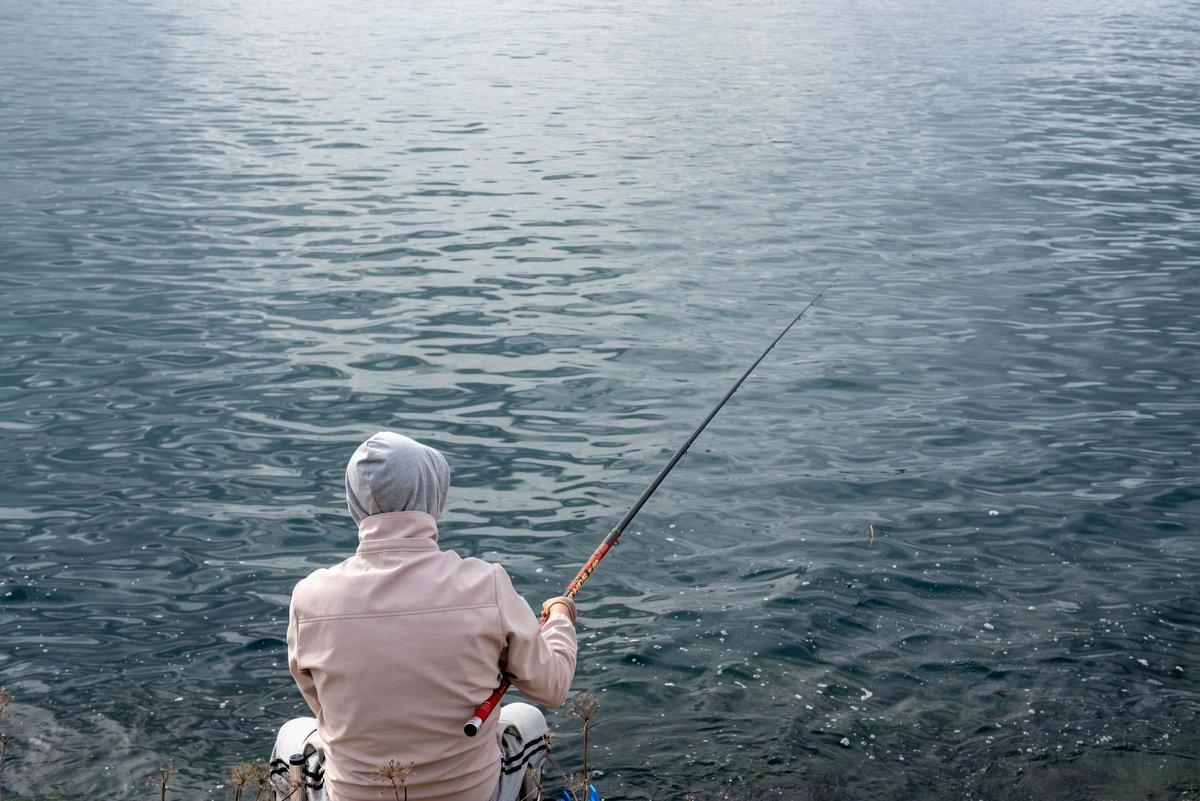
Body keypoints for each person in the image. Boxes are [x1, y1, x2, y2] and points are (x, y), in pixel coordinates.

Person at [278, 431, 578, 801]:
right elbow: (553, 687)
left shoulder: (310, 598)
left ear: (354, 501)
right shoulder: (486, 584)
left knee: (293, 733)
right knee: (527, 720)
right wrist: (560, 619)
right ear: (431, 495)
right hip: (474, 794)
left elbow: (323, 706)